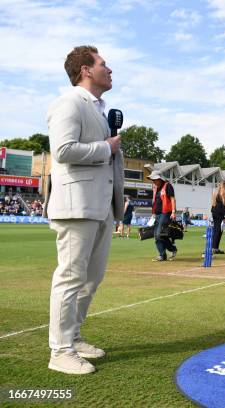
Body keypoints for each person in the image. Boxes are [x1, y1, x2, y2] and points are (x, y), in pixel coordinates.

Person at [44, 45, 124, 374]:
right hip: (76, 205)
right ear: (86, 70)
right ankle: (60, 351)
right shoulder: (69, 102)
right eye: (104, 64)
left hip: (99, 205)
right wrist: (105, 147)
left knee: (91, 279)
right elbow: (62, 150)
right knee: (70, 277)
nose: (110, 69)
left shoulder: (98, 109)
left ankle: (73, 338)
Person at [148, 171, 177, 261]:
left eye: (155, 179)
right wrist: (153, 214)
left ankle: (172, 249)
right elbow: (156, 203)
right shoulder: (157, 188)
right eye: (152, 180)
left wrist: (173, 211)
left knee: (159, 234)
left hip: (166, 213)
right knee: (157, 236)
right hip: (157, 214)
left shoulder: (167, 186)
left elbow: (172, 199)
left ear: (159, 179)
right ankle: (162, 255)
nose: (153, 182)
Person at [211, 181, 225, 254]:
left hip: (214, 212)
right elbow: (224, 205)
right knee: (219, 231)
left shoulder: (215, 193)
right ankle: (215, 248)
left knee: (216, 230)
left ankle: (214, 247)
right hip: (219, 214)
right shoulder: (223, 193)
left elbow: (213, 204)